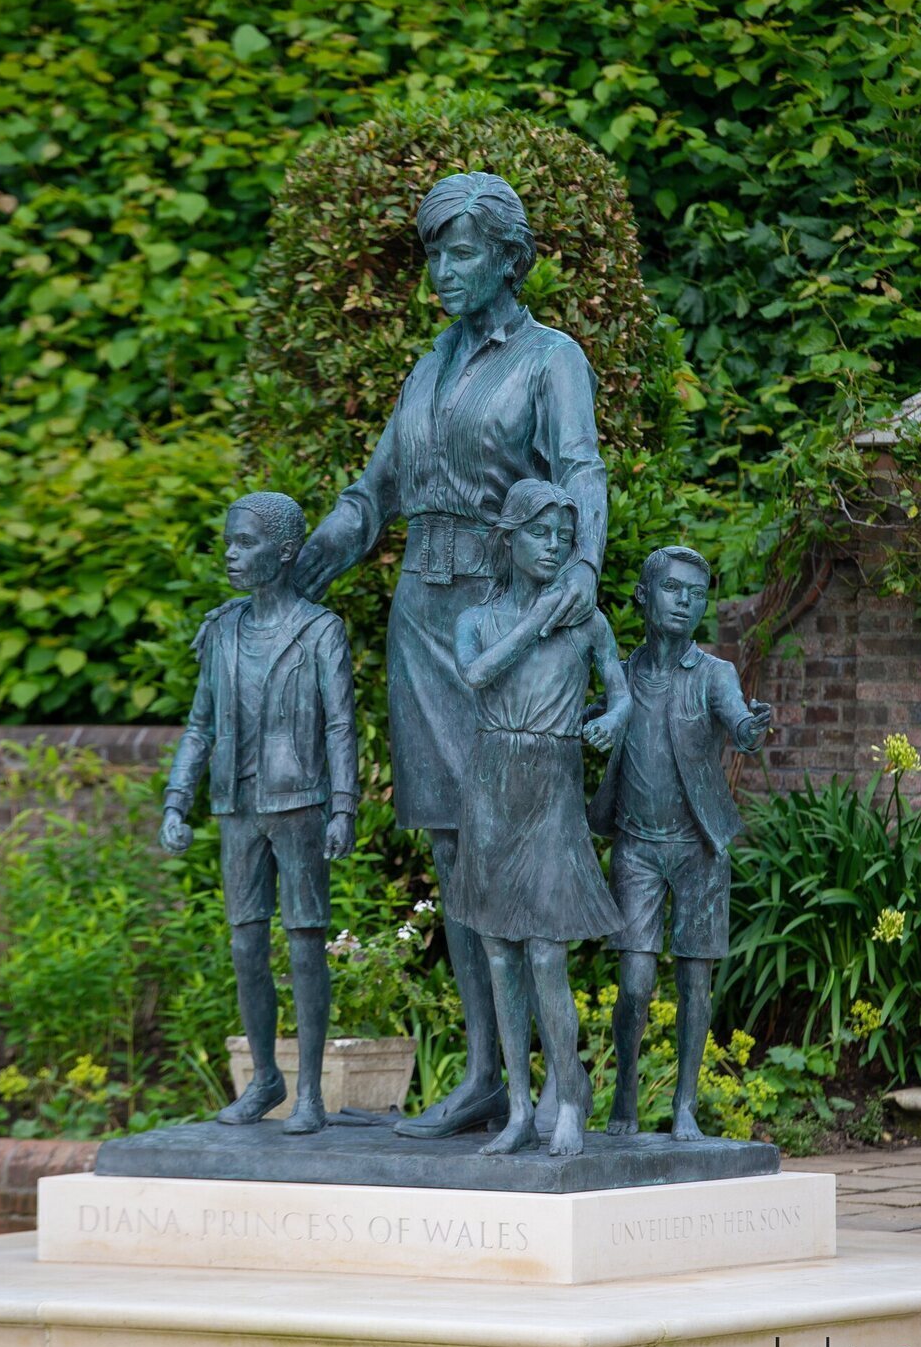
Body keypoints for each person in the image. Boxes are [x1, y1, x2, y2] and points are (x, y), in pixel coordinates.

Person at [293, 172, 608, 1139]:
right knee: (448, 842)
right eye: (433, 252)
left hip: (501, 616)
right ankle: (484, 1075)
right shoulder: (426, 369)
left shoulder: (551, 359)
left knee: (513, 842)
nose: (440, 270)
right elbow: (375, 488)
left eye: (459, 250)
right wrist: (309, 561)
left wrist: (584, 564)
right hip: (421, 615)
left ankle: (557, 1087)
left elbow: (581, 468)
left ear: (510, 257)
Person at [158, 492, 358, 1135]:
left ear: (286, 551)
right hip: (237, 804)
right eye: (229, 543)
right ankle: (264, 1079)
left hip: (298, 801)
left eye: (245, 543)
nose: (232, 555)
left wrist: (344, 806)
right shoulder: (221, 631)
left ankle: (308, 1091)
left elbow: (340, 726)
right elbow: (198, 726)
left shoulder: (320, 630)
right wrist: (176, 799)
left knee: (304, 942)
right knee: (247, 943)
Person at [449, 479, 631, 1157]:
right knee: (499, 951)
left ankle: (569, 1096)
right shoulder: (476, 618)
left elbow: (620, 690)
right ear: (510, 537)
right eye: (541, 533)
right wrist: (535, 619)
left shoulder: (588, 620)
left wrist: (612, 718)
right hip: (493, 781)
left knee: (548, 951)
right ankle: (519, 1109)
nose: (555, 546)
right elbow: (476, 675)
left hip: (551, 781)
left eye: (564, 535)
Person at [587, 546, 771, 1141]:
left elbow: (737, 719)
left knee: (695, 980)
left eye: (696, 593)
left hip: (699, 848)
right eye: (673, 588)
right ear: (644, 595)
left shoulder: (716, 674)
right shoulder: (621, 672)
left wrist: (749, 728)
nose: (685, 601)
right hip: (637, 846)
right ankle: (625, 1096)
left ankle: (686, 1104)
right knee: (635, 984)